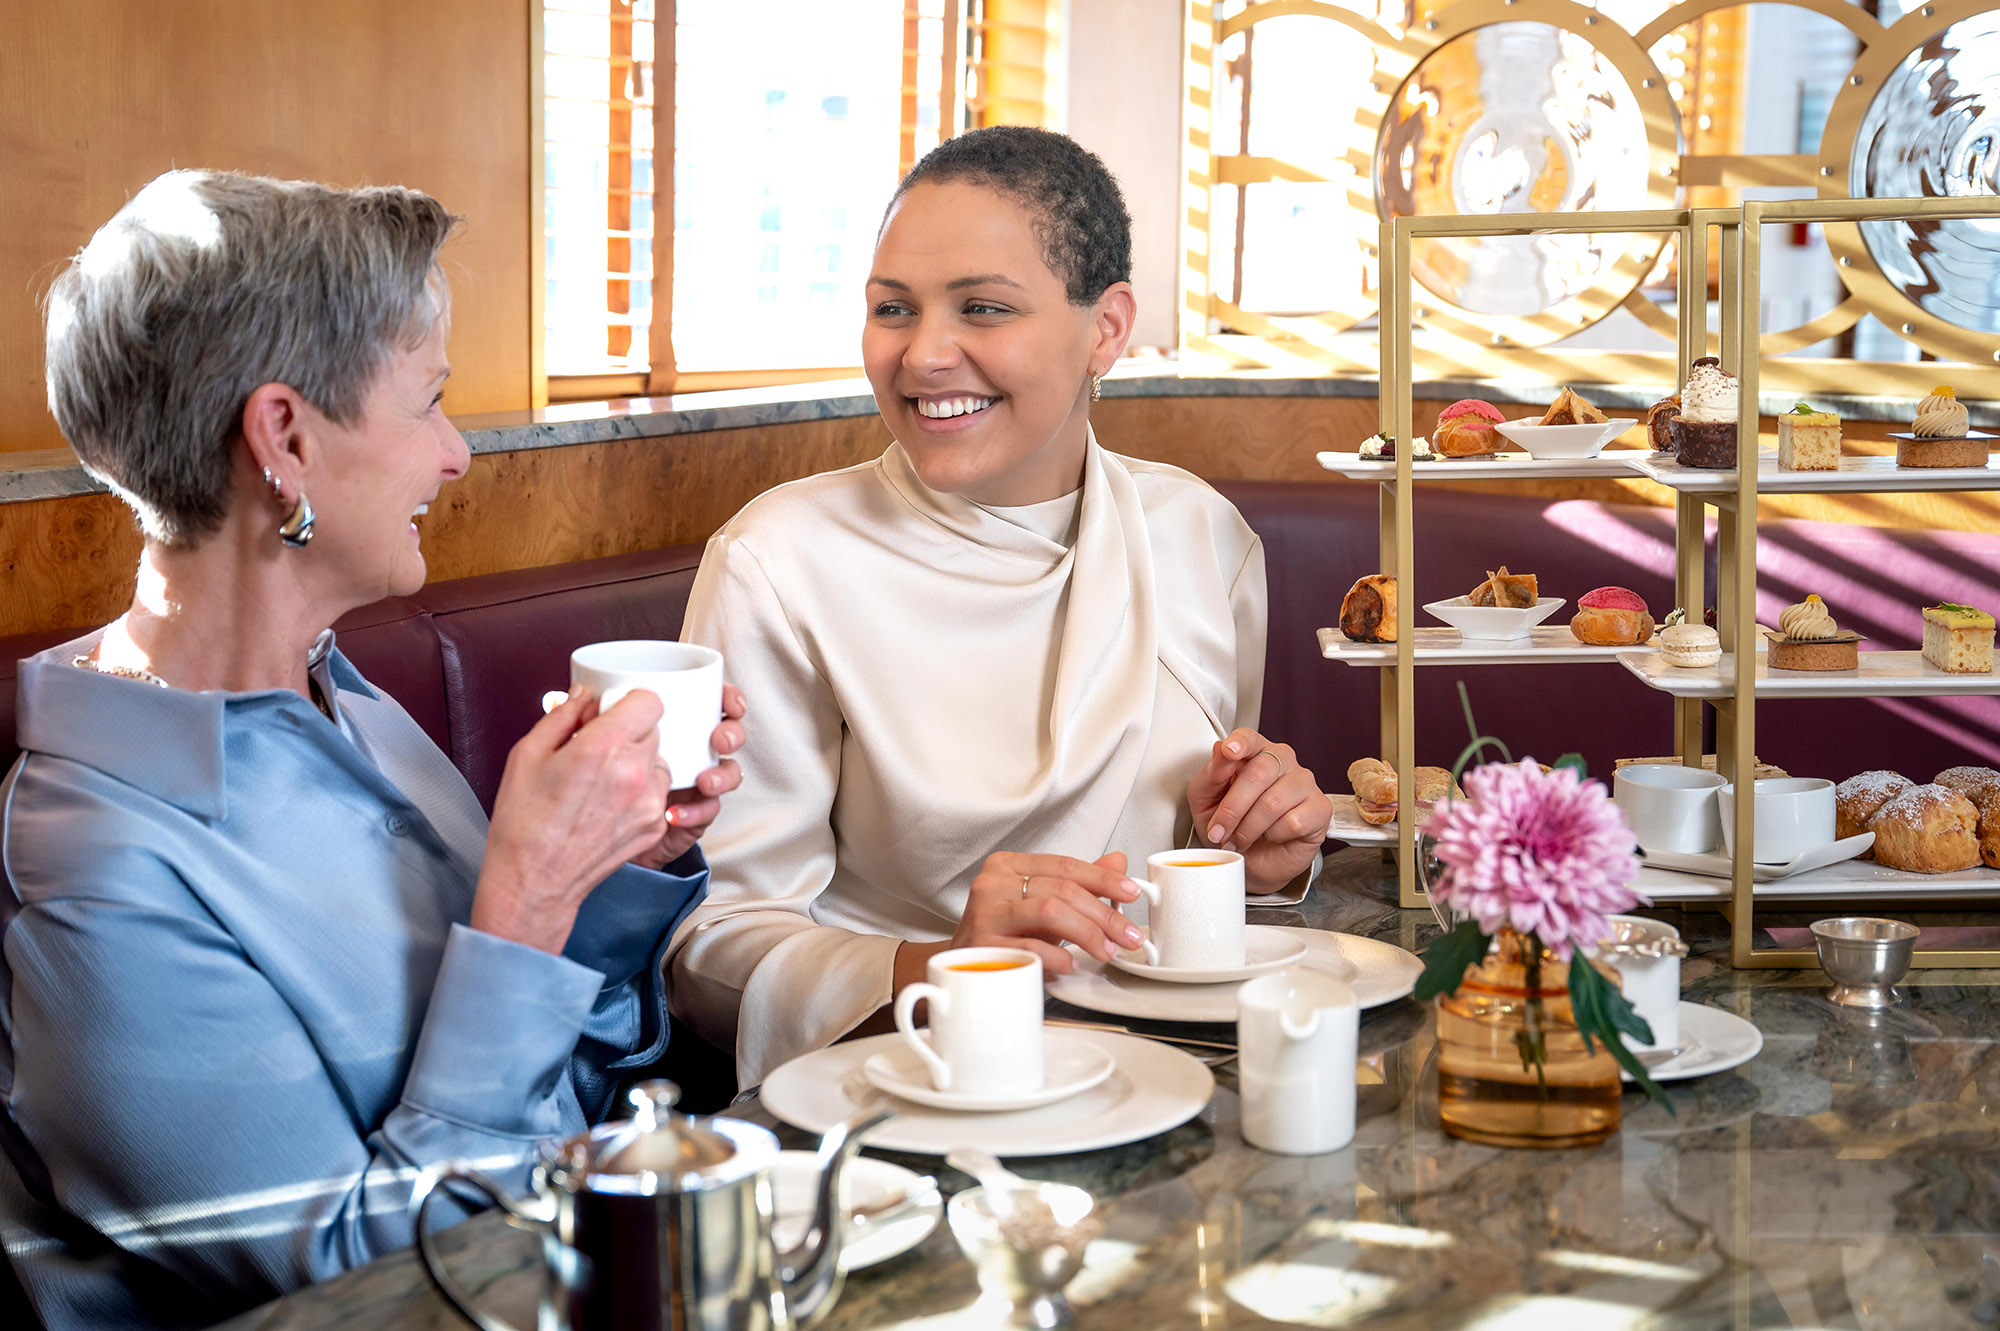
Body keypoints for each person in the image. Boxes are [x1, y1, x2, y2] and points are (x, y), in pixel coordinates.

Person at [0, 171, 744, 1329]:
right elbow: (374, 1294)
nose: (455, 455)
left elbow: (575, 1104)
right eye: (426, 402)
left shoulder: (349, 706)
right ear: (284, 438)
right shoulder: (89, 868)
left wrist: (615, 867)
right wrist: (526, 902)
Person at [670, 127, 1332, 1086]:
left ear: (1106, 328)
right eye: (892, 309)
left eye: (982, 307)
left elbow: (1199, 870)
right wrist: (939, 972)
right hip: (911, 1097)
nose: (925, 354)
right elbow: (708, 949)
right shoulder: (777, 563)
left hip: (1178, 1081)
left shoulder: (1202, 536)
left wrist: (1258, 859)